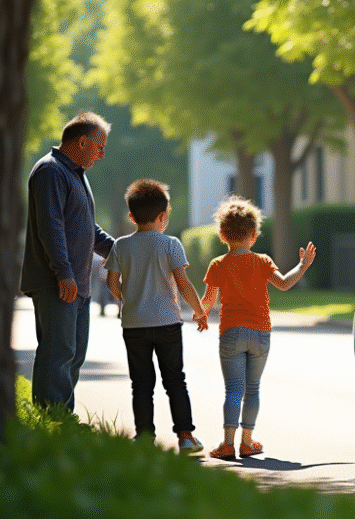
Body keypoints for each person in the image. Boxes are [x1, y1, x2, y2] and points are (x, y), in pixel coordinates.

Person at [199, 196, 316, 460]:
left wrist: (201, 315)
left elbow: (208, 299)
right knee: (252, 389)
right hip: (260, 332)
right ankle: (247, 441)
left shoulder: (218, 264)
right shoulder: (262, 261)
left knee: (233, 390)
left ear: (221, 234)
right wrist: (302, 266)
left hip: (231, 333)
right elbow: (284, 283)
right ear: (253, 236)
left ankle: (227, 443)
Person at [105, 180, 209, 454]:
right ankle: (186, 436)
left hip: (134, 324)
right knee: (175, 379)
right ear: (163, 217)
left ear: (131, 217)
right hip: (167, 323)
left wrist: (127, 299)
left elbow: (111, 281)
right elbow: (183, 283)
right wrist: (199, 311)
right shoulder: (170, 244)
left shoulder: (121, 245)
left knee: (141, 383)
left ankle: (144, 437)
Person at [20, 111, 115, 411]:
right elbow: (51, 226)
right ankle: (51, 418)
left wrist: (124, 252)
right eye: (100, 147)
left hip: (77, 284)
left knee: (73, 355)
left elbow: (89, 229)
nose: (102, 154)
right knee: (57, 352)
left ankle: (61, 416)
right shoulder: (50, 171)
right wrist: (63, 272)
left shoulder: (76, 176)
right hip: (57, 282)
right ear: (82, 142)